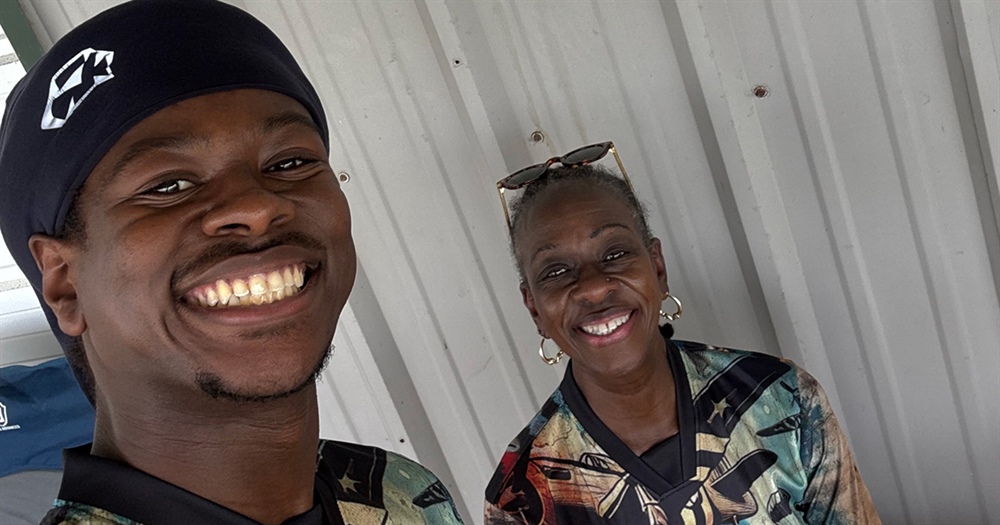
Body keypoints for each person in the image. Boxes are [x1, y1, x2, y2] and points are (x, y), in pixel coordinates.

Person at [0, 1, 464, 523]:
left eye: (290, 162)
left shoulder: (401, 494)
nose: (257, 206)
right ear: (65, 285)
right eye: (168, 186)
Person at [483, 142, 880, 524]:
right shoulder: (520, 499)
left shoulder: (781, 396)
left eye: (615, 253)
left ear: (658, 268)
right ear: (534, 308)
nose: (593, 287)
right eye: (555, 271)